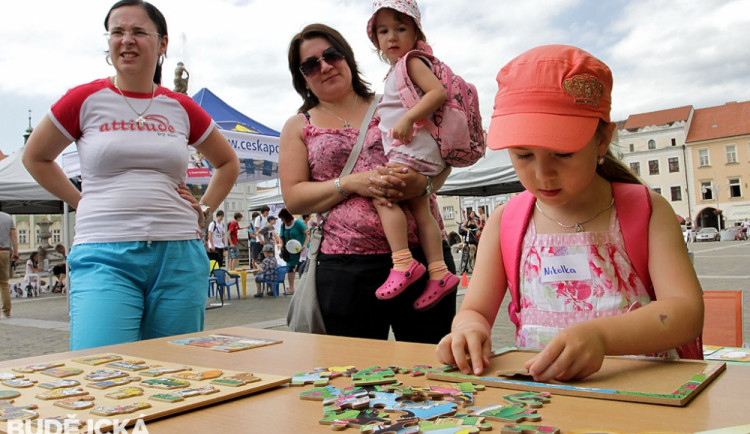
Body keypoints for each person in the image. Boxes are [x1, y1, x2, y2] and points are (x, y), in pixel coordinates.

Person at [436, 45, 704, 381]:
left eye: (562, 154)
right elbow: (474, 310)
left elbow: (685, 312)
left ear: (603, 139)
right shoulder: (507, 221)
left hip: (641, 398)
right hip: (542, 405)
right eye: (523, 155)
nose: (543, 174)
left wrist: (602, 337)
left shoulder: (646, 210)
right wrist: (467, 330)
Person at [22, 0, 239, 350]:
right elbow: (36, 156)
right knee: (101, 364)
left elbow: (228, 163)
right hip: (104, 252)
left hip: (179, 252)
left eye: (139, 31)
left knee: (177, 373)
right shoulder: (84, 99)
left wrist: (205, 208)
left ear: (162, 43)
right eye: (117, 32)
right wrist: (81, 201)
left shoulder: (181, 107)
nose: (126, 40)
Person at [279, 23, 456, 343]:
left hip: (424, 259)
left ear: (347, 57)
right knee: (355, 380)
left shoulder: (396, 102)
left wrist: (424, 185)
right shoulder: (298, 125)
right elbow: (294, 198)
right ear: (301, 77)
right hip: (345, 268)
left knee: (432, 370)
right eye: (310, 64)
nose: (325, 66)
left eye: (331, 55)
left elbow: (442, 160)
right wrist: (349, 183)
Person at [366, 0, 459, 309]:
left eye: (400, 28)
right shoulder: (399, 68)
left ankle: (403, 261)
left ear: (416, 31)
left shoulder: (411, 62)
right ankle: (439, 270)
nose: (391, 37)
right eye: (383, 31)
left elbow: (437, 93)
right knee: (422, 210)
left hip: (412, 150)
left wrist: (407, 119)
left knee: (384, 195)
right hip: (422, 153)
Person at [278, 208, 309, 295]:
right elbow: (281, 236)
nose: (282, 220)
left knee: (303, 268)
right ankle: (291, 288)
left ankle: (304, 288)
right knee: (290, 267)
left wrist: (305, 245)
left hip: (301, 249)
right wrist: (282, 245)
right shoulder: (283, 225)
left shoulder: (298, 223)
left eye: (282, 218)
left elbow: (307, 234)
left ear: (286, 217)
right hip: (290, 250)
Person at [0, 211, 19, 318]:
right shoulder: (7, 217)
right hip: (4, 252)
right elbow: (14, 237)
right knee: (4, 284)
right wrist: (15, 252)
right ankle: (6, 311)